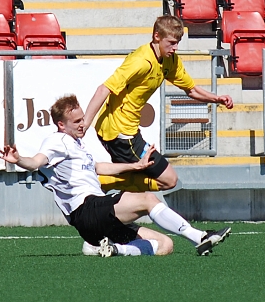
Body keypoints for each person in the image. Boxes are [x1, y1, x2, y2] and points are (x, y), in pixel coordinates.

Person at [0, 94, 230, 257]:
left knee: (164, 245)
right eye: (77, 121)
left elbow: (99, 167)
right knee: (147, 198)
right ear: (61, 124)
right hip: (87, 210)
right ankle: (199, 237)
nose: (83, 124)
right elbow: (36, 162)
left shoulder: (75, 144)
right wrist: (19, 160)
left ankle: (108, 248)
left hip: (96, 222)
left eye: (82, 119)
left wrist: (136, 166)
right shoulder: (56, 141)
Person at [84, 15, 234, 192]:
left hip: (128, 132)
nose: (175, 47)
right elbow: (103, 89)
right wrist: (84, 125)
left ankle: (111, 191)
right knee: (169, 180)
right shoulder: (140, 61)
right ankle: (106, 182)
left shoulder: (170, 60)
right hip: (121, 134)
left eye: (178, 42)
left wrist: (216, 98)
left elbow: (191, 89)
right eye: (171, 42)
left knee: (136, 187)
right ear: (157, 36)